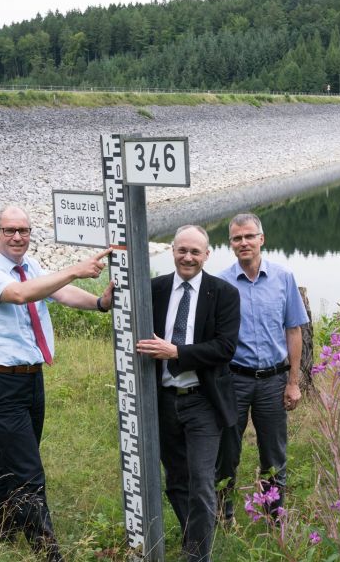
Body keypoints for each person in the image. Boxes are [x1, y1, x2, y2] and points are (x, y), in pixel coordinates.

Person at [0, 204, 113, 561]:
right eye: (10, 230)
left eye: (24, 230)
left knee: (14, 458)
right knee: (30, 472)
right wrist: (74, 269)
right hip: (0, 383)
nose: (18, 237)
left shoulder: (31, 267)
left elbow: (60, 293)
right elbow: (21, 294)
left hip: (32, 381)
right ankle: (48, 552)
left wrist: (99, 302)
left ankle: (1, 529)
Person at [135, 224, 240, 562]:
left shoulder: (223, 293)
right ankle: (194, 538)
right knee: (176, 481)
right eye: (182, 250)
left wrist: (176, 352)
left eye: (195, 252)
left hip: (202, 402)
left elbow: (224, 348)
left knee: (202, 483)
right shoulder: (154, 289)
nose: (188, 257)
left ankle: (196, 556)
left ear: (207, 255)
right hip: (163, 401)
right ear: (173, 251)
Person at [215, 212, 309, 522]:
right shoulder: (220, 283)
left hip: (273, 381)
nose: (243, 242)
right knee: (227, 452)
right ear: (231, 244)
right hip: (234, 380)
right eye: (237, 238)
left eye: (249, 236)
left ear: (261, 239)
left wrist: (293, 382)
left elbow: (294, 330)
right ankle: (224, 515)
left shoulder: (283, 277)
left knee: (274, 454)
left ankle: (274, 517)